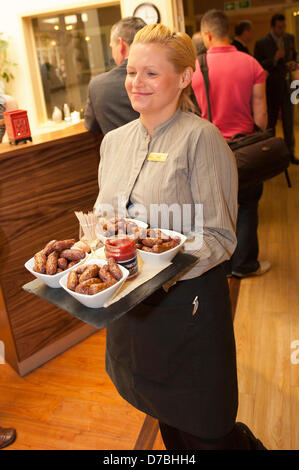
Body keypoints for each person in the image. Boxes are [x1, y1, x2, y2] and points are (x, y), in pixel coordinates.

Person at [94, 22, 266, 450]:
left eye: (152, 73)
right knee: (165, 418)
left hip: (186, 312)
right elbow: (104, 210)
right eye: (133, 71)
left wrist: (157, 257)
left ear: (185, 77)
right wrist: (94, 238)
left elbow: (220, 237)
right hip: (131, 312)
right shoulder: (114, 142)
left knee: (204, 429)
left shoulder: (202, 140)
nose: (137, 82)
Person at [192, 9, 270, 279]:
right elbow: (261, 116)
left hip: (209, 151)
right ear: (228, 31)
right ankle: (245, 265)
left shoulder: (195, 69)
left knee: (217, 209)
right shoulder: (252, 64)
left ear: (207, 35)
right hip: (245, 148)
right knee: (247, 205)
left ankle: (221, 266)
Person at [84, 16, 146, 135]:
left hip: (119, 152)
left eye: (112, 46)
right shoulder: (164, 77)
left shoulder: (98, 86)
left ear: (121, 45)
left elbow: (90, 125)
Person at [254, 13, 299, 164]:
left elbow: (294, 56)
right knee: (271, 124)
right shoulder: (261, 43)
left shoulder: (289, 38)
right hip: (271, 89)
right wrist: (274, 59)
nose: (282, 30)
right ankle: (272, 157)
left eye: (284, 26)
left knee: (289, 122)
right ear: (272, 27)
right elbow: (259, 66)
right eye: (279, 27)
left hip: (289, 86)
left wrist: (293, 63)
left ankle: (289, 154)